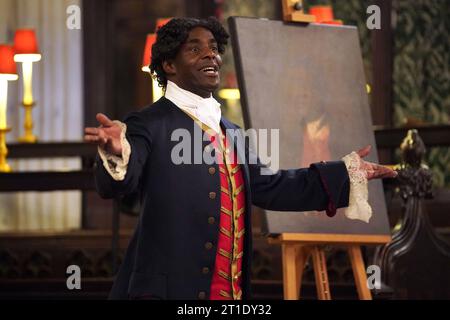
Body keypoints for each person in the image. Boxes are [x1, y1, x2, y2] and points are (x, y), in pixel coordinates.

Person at [84, 17, 397, 300]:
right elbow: (121, 182)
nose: (211, 55)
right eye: (195, 49)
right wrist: (117, 153)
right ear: (169, 65)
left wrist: (345, 173)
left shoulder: (230, 131)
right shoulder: (149, 123)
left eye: (214, 48)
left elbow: (273, 186)